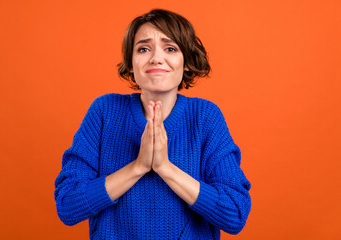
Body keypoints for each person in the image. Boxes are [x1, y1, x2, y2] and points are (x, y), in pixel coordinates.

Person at [54, 9, 251, 240]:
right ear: (130, 64)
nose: (156, 58)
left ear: (186, 61)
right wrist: (138, 166)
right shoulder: (104, 111)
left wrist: (165, 168)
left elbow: (234, 214)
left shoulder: (205, 117)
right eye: (143, 49)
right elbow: (68, 206)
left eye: (170, 48)